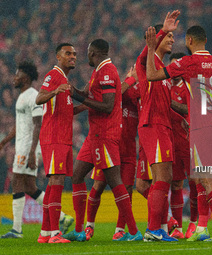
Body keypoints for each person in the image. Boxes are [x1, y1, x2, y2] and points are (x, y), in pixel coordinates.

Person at [145, 25, 212, 241]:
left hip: (202, 125)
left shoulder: (188, 62)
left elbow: (151, 74)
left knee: (207, 178)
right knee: (201, 177)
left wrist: (149, 48)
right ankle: (202, 227)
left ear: (190, 40)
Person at [63, 39, 142, 242]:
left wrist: (78, 97)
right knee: (77, 175)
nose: (85, 55)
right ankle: (81, 230)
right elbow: (89, 97)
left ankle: (133, 232)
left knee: (116, 183)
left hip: (106, 135)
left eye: (88, 51)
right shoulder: (98, 71)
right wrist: (73, 102)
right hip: (94, 136)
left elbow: (107, 105)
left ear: (94, 52)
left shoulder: (107, 71)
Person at [0, 61, 73, 239]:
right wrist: (5, 142)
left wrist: (32, 151)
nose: (14, 78)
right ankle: (63, 217)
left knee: (17, 181)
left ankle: (17, 229)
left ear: (26, 77)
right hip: (23, 145)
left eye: (17, 74)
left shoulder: (33, 95)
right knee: (29, 186)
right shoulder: (22, 96)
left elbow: (37, 123)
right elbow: (20, 124)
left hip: (28, 146)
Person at [135, 10, 180, 242]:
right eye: (169, 37)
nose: (172, 39)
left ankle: (161, 226)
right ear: (156, 40)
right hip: (154, 125)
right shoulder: (147, 63)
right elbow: (143, 57)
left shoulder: (162, 69)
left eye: (172, 37)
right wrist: (162, 30)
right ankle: (153, 230)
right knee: (163, 177)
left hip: (161, 126)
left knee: (155, 181)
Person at [84, 66, 140, 241]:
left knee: (128, 189)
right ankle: (89, 226)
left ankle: (120, 229)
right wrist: (131, 79)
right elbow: (118, 92)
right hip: (110, 147)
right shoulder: (118, 92)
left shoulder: (140, 96)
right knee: (98, 186)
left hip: (129, 151)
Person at [35, 43, 77, 243]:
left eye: (74, 54)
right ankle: (54, 234)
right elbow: (39, 98)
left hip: (62, 138)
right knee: (57, 182)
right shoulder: (54, 75)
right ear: (58, 57)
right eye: (68, 53)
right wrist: (55, 90)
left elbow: (66, 110)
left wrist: (85, 106)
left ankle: (44, 233)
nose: (73, 57)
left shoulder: (65, 80)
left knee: (53, 184)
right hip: (54, 137)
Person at [167, 52, 197, 239]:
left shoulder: (189, 86)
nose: (173, 70)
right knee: (176, 184)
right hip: (171, 142)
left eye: (177, 66)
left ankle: (194, 223)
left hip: (188, 141)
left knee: (194, 182)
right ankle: (177, 225)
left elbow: (191, 108)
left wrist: (168, 104)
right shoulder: (165, 86)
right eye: (171, 66)